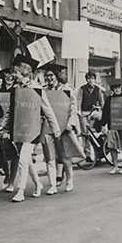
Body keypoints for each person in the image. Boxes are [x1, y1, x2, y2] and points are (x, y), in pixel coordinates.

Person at [0, 54, 61, 202]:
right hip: (19, 128)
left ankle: (20, 190)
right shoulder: (15, 89)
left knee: (23, 159)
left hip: (33, 128)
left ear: (26, 73)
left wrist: (56, 129)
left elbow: (47, 110)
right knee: (26, 160)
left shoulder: (37, 89)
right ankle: (38, 184)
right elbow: (10, 111)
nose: (15, 75)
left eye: (17, 73)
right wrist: (3, 127)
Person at [41, 63, 78, 193]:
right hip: (48, 127)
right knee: (50, 156)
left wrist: (70, 123)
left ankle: (69, 179)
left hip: (64, 127)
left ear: (57, 75)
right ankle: (52, 184)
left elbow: (73, 108)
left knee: (65, 156)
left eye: (51, 75)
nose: (48, 78)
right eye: (46, 75)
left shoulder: (67, 89)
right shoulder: (44, 90)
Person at [96, 78, 122, 174]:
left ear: (121, 88)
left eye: (118, 88)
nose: (117, 90)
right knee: (112, 146)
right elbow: (105, 113)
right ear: (112, 89)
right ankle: (115, 165)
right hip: (112, 125)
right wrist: (103, 124)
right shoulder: (109, 99)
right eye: (115, 88)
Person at [77, 71, 104, 161]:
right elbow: (79, 101)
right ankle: (87, 154)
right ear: (86, 79)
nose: (90, 80)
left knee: (99, 120)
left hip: (93, 111)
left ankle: (101, 136)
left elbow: (101, 101)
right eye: (88, 78)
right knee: (85, 134)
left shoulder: (98, 89)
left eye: (92, 78)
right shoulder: (82, 89)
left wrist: (103, 110)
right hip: (84, 113)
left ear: (94, 79)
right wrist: (78, 111)